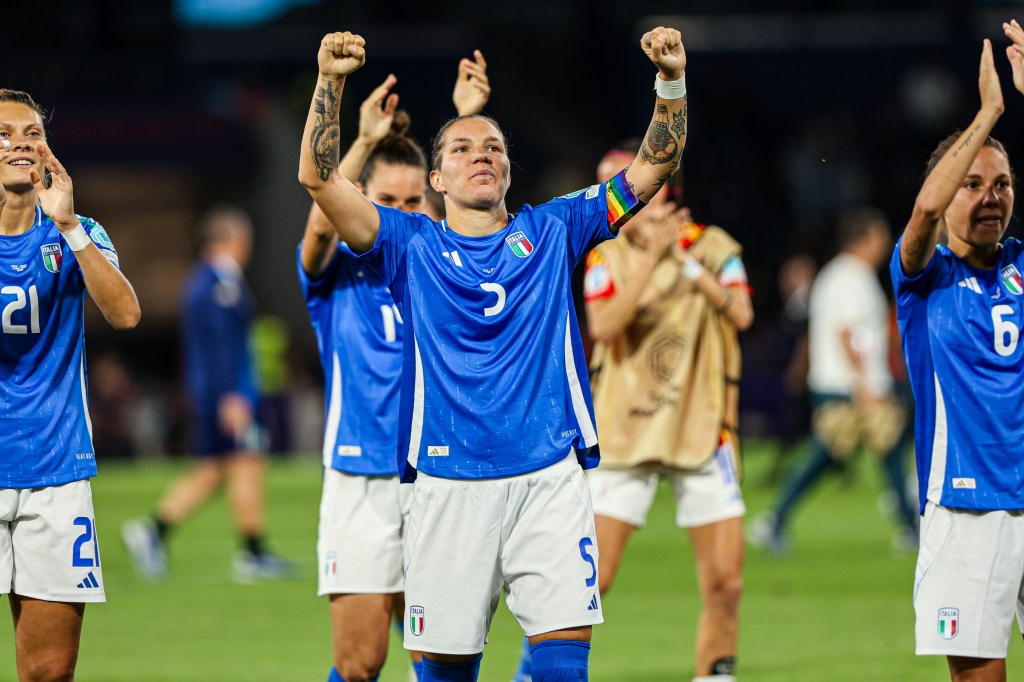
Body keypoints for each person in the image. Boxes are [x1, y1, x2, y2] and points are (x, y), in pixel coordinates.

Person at [299, 27, 687, 682]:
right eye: (462, 147)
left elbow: (654, 167)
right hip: (449, 486)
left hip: (549, 479)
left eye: (495, 147)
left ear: (509, 168)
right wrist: (330, 82)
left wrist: (670, 82)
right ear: (436, 177)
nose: (482, 155)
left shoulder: (555, 228)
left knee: (565, 667)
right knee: (444, 671)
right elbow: (317, 176)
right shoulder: (406, 243)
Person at [299, 54, 489, 682]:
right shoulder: (335, 274)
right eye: (388, 200)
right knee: (360, 662)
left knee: (442, 656)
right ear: (363, 199)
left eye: (414, 200)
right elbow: (322, 208)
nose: (404, 211)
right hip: (361, 479)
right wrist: (361, 141)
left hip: (439, 475)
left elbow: (471, 199)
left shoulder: (442, 264)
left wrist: (466, 120)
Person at [585, 146, 751, 682]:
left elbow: (742, 312)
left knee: (726, 582)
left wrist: (683, 262)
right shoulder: (604, 257)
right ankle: (533, 667)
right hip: (624, 428)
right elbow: (606, 326)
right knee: (591, 580)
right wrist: (654, 259)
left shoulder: (712, 246)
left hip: (701, 426)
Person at [893, 28, 1024, 682]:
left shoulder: (1023, 268)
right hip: (965, 510)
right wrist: (989, 115)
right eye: (972, 183)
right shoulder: (924, 279)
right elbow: (921, 211)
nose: (991, 196)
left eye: (1002, 184)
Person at [0, 89, 141, 680]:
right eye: (5, 133)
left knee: (49, 673)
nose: (22, 143)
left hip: (55, 472)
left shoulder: (74, 231)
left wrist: (70, 228)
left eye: (32, 132)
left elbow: (126, 314)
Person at [123, 205, 291, 583]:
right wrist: (232, 396)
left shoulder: (211, 281)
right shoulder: (217, 284)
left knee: (217, 468)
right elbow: (219, 349)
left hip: (220, 395)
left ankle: (154, 532)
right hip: (227, 397)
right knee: (245, 461)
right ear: (235, 240)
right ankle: (253, 552)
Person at [747, 207, 918, 556]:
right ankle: (774, 520)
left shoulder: (840, 274)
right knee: (837, 453)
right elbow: (847, 333)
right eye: (880, 235)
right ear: (866, 238)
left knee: (869, 453)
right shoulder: (851, 277)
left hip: (842, 382)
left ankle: (775, 521)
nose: (885, 242)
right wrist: (863, 385)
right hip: (848, 386)